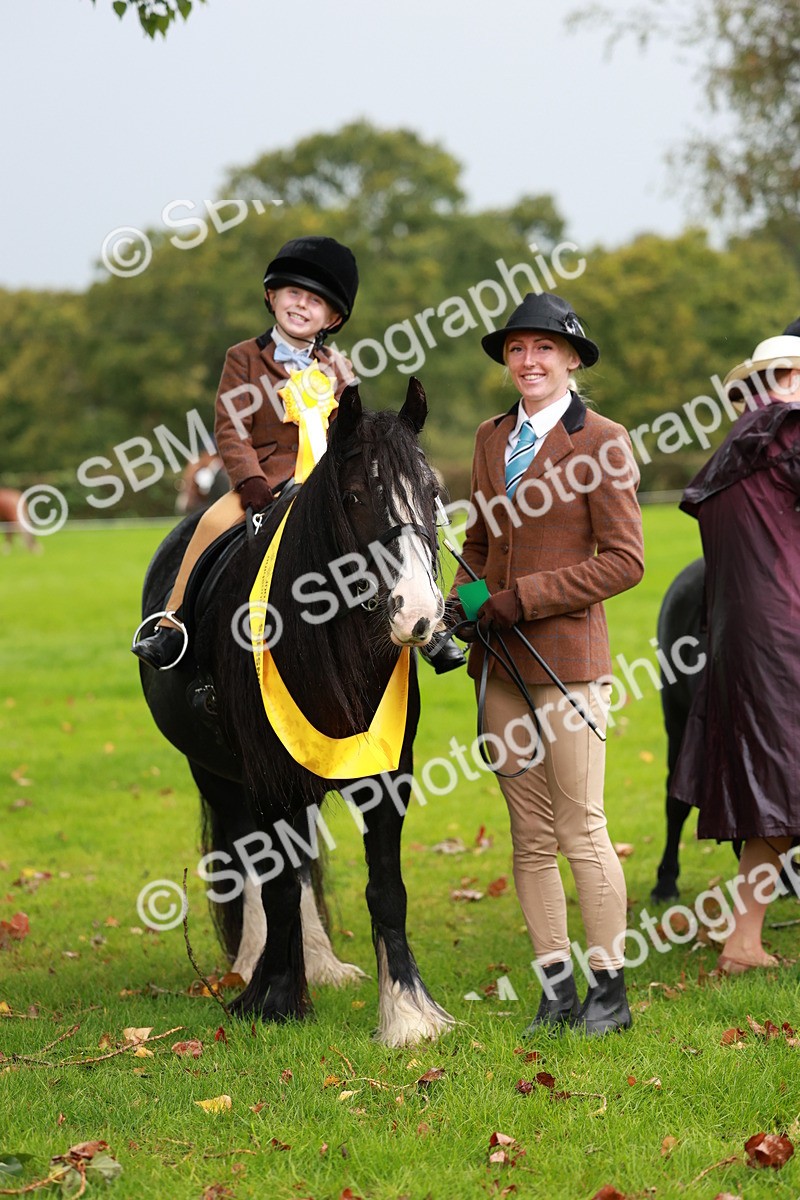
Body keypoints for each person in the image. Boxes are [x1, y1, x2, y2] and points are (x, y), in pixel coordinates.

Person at [448, 292, 644, 1035]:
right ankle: (556, 992)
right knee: (528, 836)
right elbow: (477, 543)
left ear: (570, 360)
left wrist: (523, 599)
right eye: (517, 349)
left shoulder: (604, 440)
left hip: (568, 666)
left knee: (581, 828)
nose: (528, 361)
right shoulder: (490, 436)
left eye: (543, 349)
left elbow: (625, 560)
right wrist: (466, 602)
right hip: (499, 667)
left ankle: (609, 994)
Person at [132, 235, 359, 669]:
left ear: (332, 317)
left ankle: (423, 627)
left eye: (315, 301)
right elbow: (230, 428)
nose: (301, 305)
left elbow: (351, 431)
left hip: (326, 484)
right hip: (264, 481)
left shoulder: (339, 368)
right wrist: (250, 480)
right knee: (210, 524)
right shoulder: (243, 358)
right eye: (293, 293)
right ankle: (172, 626)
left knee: (389, 529)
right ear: (272, 296)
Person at [671, 333, 800, 973]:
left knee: (775, 786)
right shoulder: (790, 433)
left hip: (735, 643)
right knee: (784, 781)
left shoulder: (732, 451)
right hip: (788, 635)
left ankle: (744, 942)